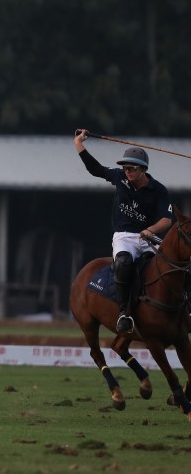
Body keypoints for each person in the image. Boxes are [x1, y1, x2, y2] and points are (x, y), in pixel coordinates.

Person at [74, 129, 172, 334]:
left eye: (131, 168)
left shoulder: (159, 190)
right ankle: (124, 313)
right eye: (125, 167)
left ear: (143, 169)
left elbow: (166, 219)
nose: (127, 171)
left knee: (176, 265)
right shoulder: (120, 178)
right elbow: (96, 169)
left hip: (148, 236)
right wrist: (79, 145)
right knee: (124, 263)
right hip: (124, 237)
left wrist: (150, 230)